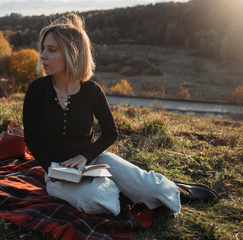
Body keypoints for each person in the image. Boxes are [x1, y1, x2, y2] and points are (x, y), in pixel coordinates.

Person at [23, 13, 218, 215]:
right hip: (59, 174)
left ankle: (176, 190)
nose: (43, 56)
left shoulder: (92, 91)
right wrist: (52, 170)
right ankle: (125, 190)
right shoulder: (37, 90)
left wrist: (84, 157)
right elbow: (32, 139)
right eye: (43, 49)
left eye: (51, 50)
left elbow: (110, 133)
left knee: (152, 188)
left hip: (94, 161)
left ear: (73, 54)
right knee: (96, 200)